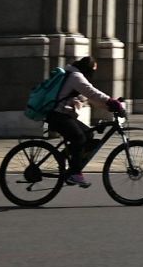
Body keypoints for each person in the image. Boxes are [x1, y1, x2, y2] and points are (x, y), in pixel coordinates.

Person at [46, 55, 124, 187]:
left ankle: (64, 156)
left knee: (89, 134)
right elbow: (92, 92)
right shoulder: (76, 77)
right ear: (88, 69)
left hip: (62, 114)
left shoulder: (74, 74)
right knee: (79, 138)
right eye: (93, 71)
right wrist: (111, 102)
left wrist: (110, 105)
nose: (93, 74)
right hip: (58, 115)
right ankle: (75, 173)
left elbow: (89, 98)